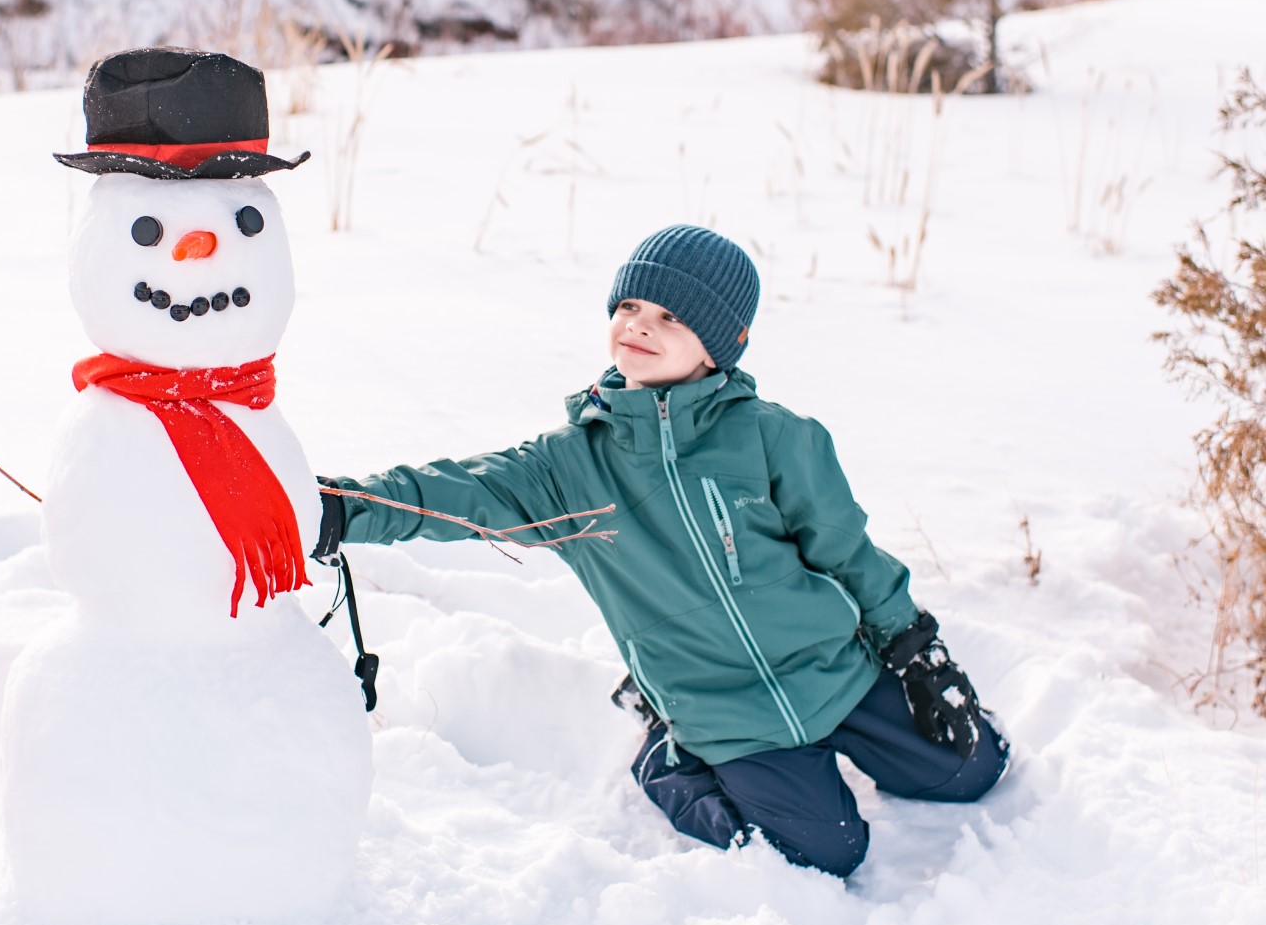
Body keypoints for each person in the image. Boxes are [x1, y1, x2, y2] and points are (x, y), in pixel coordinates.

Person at [313, 225, 1007, 878]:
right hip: (724, 713)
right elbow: (451, 492)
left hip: (832, 671)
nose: (640, 323)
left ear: (720, 344)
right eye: (631, 304)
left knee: (975, 766)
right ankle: (666, 752)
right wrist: (341, 508)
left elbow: (847, 552)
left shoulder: (776, 438)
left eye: (672, 316)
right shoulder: (568, 468)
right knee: (829, 851)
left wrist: (916, 649)